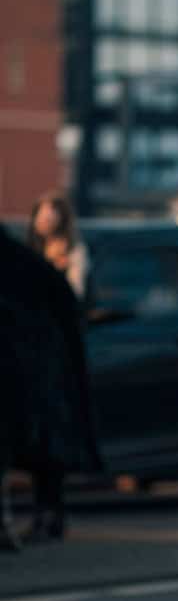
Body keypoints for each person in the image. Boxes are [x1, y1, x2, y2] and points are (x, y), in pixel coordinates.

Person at [0, 224, 101, 549]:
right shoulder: (30, 265)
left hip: (35, 370)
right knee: (43, 447)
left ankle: (43, 516)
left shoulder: (25, 267)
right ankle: (43, 516)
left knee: (41, 447)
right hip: (39, 368)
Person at [28, 190, 90, 301]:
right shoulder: (33, 248)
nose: (41, 222)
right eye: (40, 217)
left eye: (48, 219)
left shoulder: (74, 250)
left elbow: (75, 291)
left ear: (61, 220)